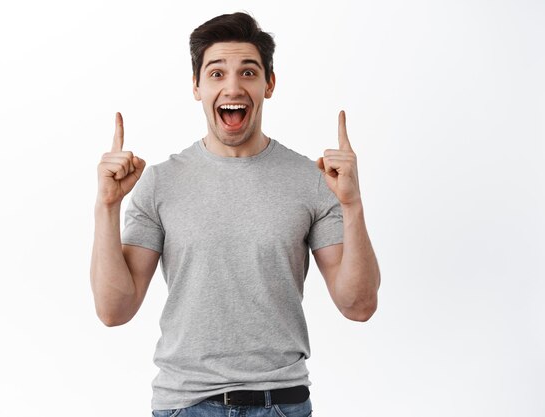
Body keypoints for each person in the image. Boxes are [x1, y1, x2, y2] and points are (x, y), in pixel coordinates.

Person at [90, 12, 380, 417]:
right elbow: (113, 311)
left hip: (281, 403)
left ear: (269, 84)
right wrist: (107, 207)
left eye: (248, 72)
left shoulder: (312, 180)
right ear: (196, 86)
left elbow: (359, 305)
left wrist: (353, 204)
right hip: (184, 405)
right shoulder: (160, 182)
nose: (232, 86)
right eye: (215, 73)